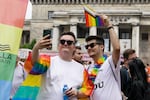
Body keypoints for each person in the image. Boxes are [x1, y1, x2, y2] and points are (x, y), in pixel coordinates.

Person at [25, 32, 93, 100]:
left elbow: (88, 88)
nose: (65, 44)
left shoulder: (81, 68)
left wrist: (77, 92)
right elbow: (35, 64)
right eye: (62, 42)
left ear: (74, 47)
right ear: (58, 45)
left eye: (69, 42)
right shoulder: (48, 61)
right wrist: (36, 48)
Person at [85, 14, 121, 100]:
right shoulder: (88, 68)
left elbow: (117, 48)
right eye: (87, 47)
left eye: (92, 45)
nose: (89, 48)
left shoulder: (110, 62)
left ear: (102, 47)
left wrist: (109, 26)